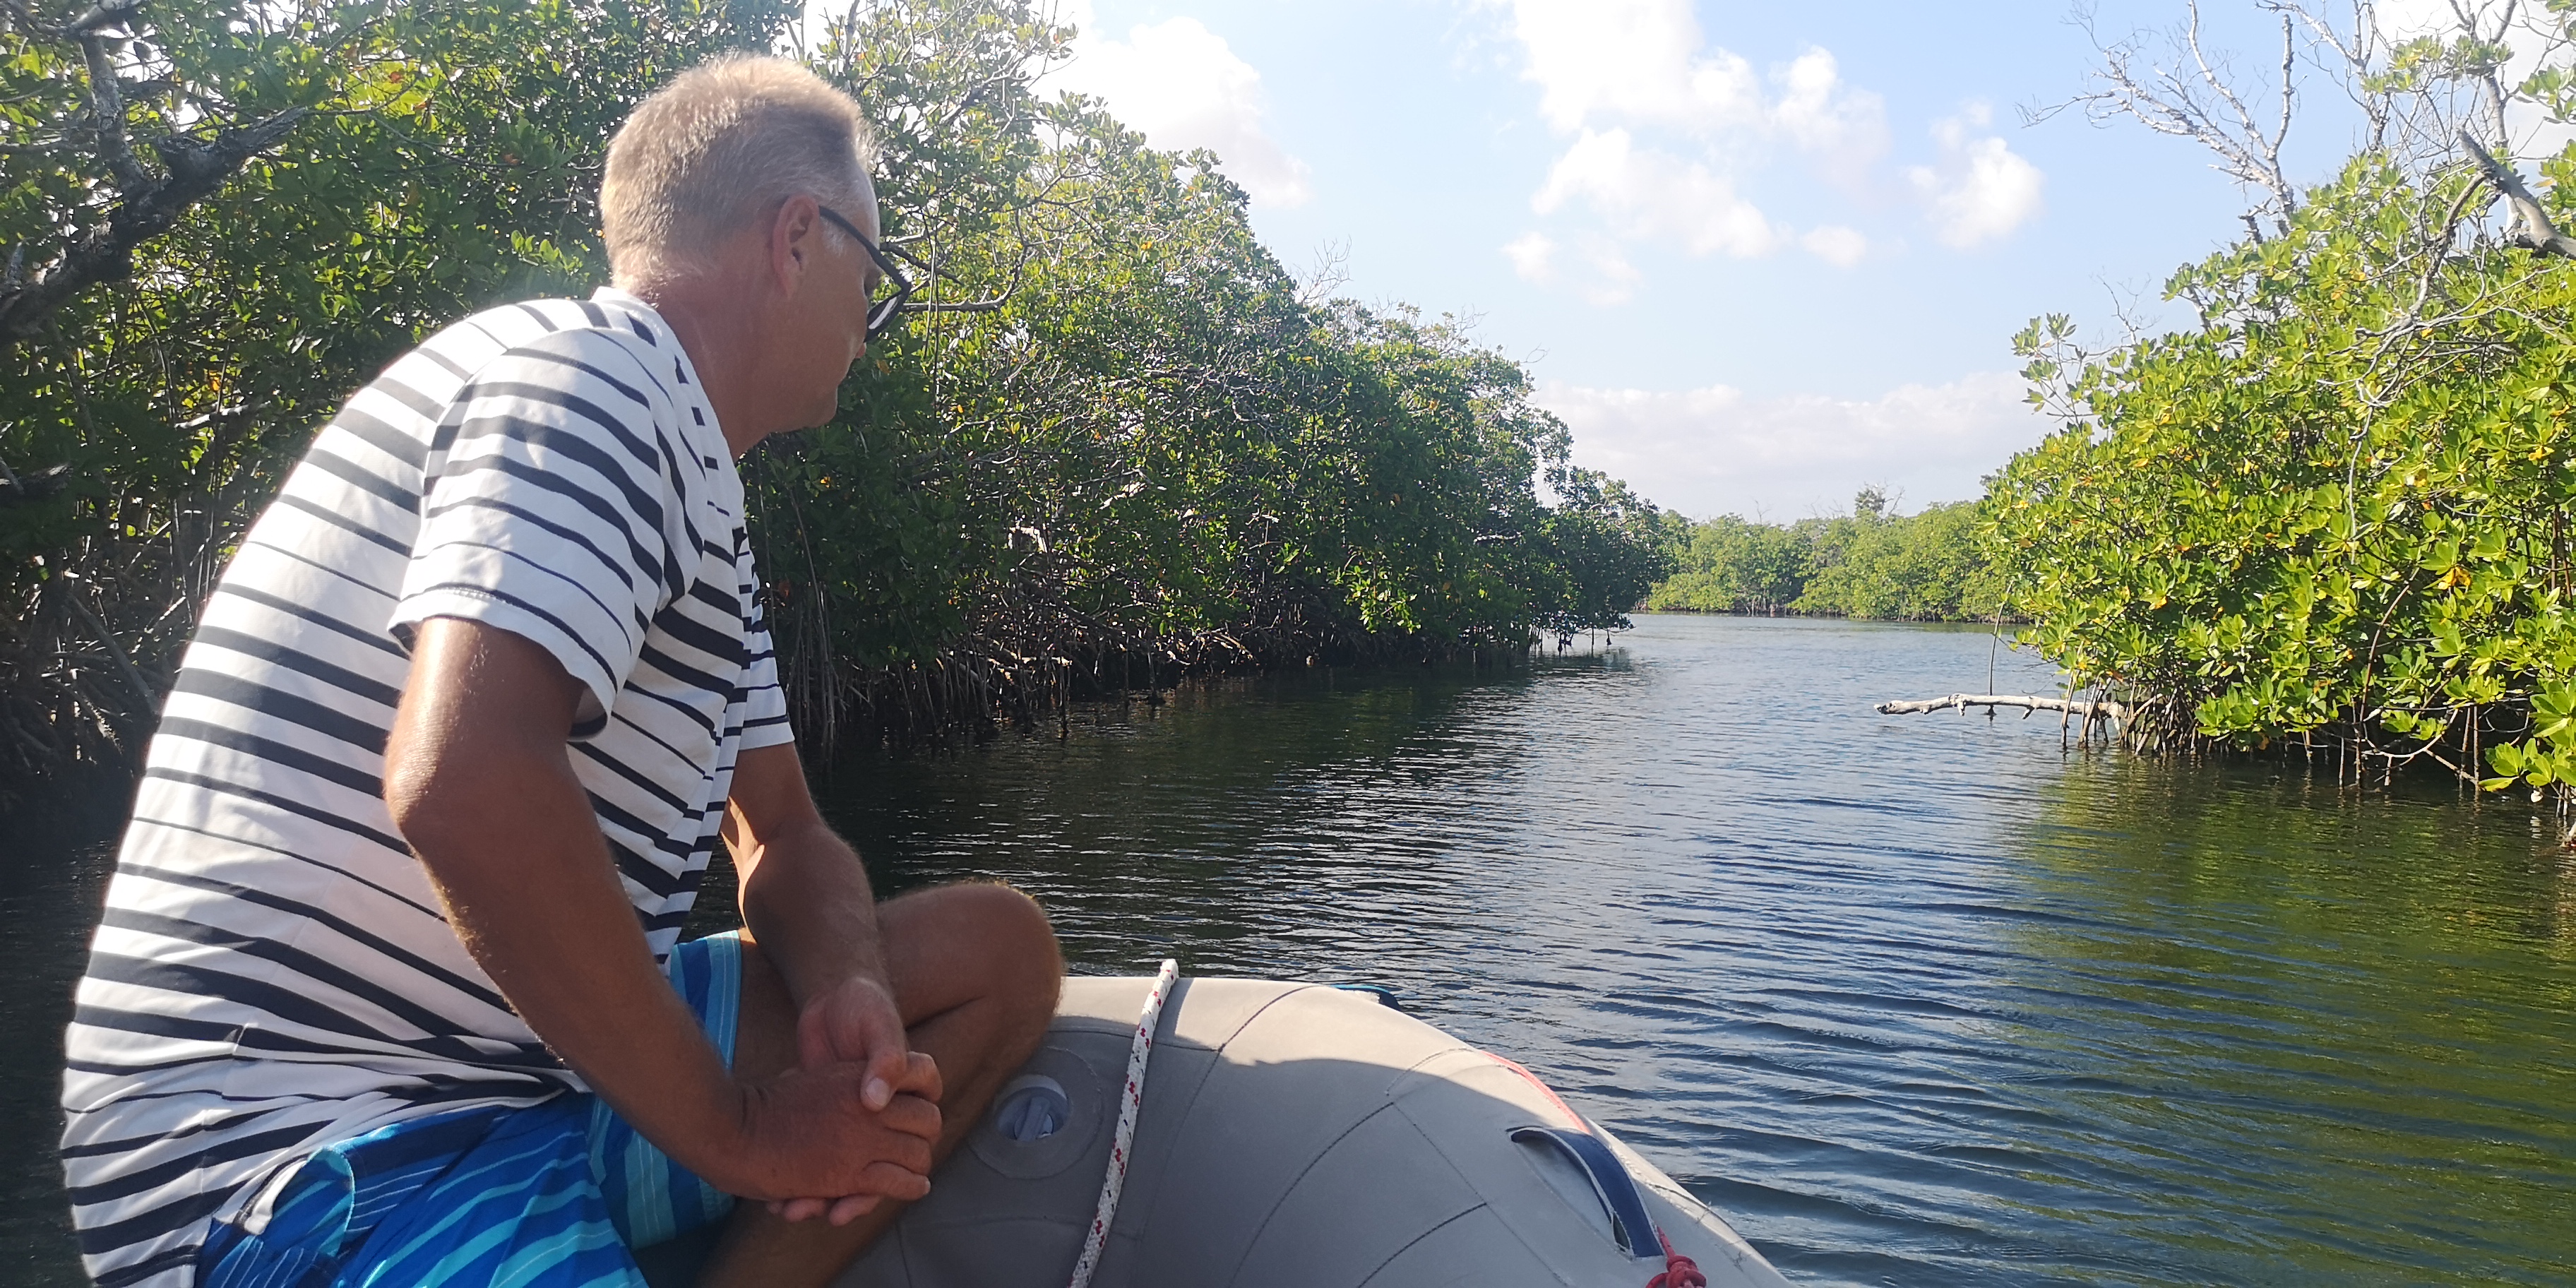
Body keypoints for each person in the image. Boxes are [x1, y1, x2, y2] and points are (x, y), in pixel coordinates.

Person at [59, 54, 1063, 1288]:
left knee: (994, 954)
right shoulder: (600, 382)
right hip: (290, 1146)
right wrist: (744, 1134)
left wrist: (846, 981)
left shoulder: (697, 489)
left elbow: (783, 834)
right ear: (797, 238)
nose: (873, 318)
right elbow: (465, 779)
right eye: (877, 270)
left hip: (509, 1081)